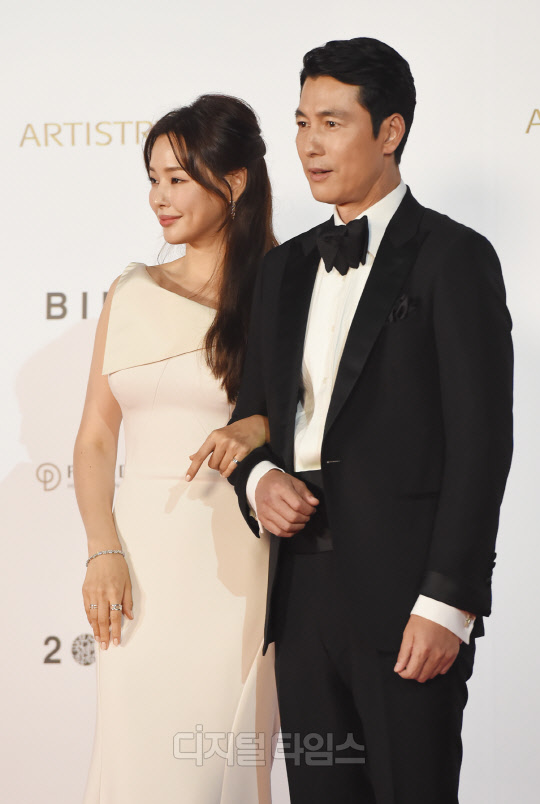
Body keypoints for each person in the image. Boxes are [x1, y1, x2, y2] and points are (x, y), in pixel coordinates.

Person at [225, 38, 514, 803]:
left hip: (406, 597)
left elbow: (482, 443)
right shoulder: (281, 271)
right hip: (300, 588)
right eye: (300, 122)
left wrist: (448, 602)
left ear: (389, 132)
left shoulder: (454, 257)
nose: (309, 144)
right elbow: (249, 414)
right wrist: (257, 481)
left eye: (331, 121)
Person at [74, 94, 280, 804]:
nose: (159, 198)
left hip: (236, 563)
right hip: (138, 563)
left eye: (178, 179)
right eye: (153, 178)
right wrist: (104, 549)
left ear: (235, 181)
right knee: (137, 764)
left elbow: (312, 427)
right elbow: (97, 438)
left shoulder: (282, 294)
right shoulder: (130, 291)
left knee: (213, 770)